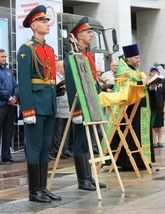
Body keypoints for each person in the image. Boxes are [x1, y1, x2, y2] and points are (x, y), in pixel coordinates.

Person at [17, 5, 61, 203]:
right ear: (34, 25)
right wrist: (27, 109)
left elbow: (50, 79)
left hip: (49, 103)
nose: (47, 24)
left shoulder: (49, 49)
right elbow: (24, 82)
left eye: (46, 20)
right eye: (42, 21)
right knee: (34, 147)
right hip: (35, 104)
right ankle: (34, 191)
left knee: (45, 147)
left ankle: (43, 188)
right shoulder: (26, 49)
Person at [64, 17, 106, 190]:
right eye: (88, 32)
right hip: (80, 105)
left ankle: (89, 177)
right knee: (81, 142)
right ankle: (83, 180)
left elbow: (92, 81)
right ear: (79, 35)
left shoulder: (87, 55)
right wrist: (77, 111)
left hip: (91, 103)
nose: (91, 35)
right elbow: (73, 84)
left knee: (89, 143)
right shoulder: (72, 56)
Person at [108, 44, 154, 170]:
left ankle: (143, 160)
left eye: (139, 57)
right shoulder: (123, 71)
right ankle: (130, 162)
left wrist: (149, 86)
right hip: (129, 109)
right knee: (132, 134)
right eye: (136, 57)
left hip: (140, 107)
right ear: (128, 58)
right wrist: (140, 82)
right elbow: (124, 88)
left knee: (141, 134)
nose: (138, 59)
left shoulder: (135, 70)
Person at [50, 58, 73, 159]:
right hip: (59, 106)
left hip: (66, 106)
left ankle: (65, 149)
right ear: (59, 67)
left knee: (66, 130)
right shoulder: (55, 77)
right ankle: (56, 150)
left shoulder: (65, 77)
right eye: (64, 67)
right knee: (58, 131)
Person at [148, 66, 164, 148]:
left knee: (160, 125)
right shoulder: (148, 83)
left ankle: (160, 141)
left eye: (155, 72)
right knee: (153, 125)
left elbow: (164, 94)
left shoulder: (161, 82)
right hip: (152, 105)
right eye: (152, 72)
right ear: (150, 73)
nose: (154, 73)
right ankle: (154, 141)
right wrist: (150, 89)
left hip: (160, 105)